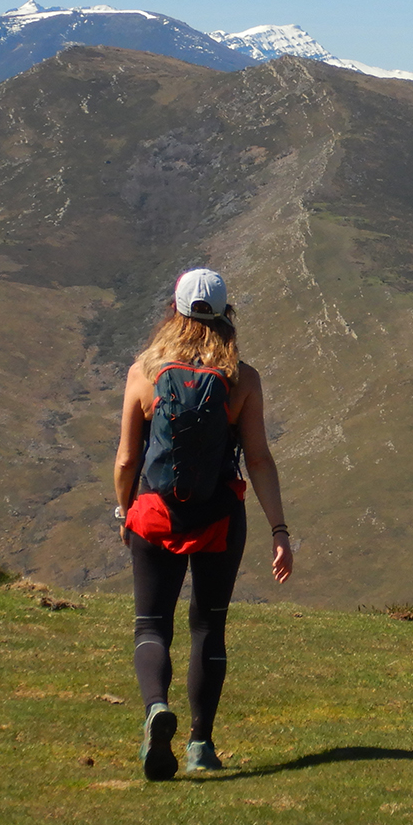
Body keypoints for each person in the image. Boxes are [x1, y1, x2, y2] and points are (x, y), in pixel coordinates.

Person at [113, 268, 292, 780]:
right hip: (218, 518)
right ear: (226, 316)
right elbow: (258, 460)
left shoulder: (144, 372)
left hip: (155, 513)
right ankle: (200, 745)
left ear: (175, 312)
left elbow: (128, 458)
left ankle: (154, 708)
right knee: (208, 627)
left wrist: (125, 509)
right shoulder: (242, 379)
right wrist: (279, 531)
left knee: (151, 625)